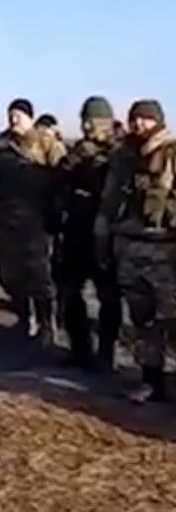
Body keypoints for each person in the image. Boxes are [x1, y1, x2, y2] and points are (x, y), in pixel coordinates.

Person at [97, 100, 176, 402]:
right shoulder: (123, 158)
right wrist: (101, 237)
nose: (139, 125)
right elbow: (109, 202)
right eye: (135, 119)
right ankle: (151, 381)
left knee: (172, 320)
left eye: (145, 119)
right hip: (130, 249)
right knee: (142, 321)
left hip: (165, 250)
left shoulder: (171, 153)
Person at [0, 98, 65, 348]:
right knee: (8, 275)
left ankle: (46, 326)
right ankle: (22, 318)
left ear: (30, 117)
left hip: (36, 221)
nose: (13, 119)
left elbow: (62, 178)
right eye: (10, 114)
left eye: (19, 115)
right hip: (7, 219)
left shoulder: (46, 141)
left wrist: (55, 213)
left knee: (39, 277)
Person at [55, 97, 122, 371]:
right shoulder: (77, 152)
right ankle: (80, 349)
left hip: (105, 234)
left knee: (109, 297)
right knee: (70, 292)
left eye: (92, 121)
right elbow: (60, 182)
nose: (86, 126)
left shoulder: (120, 153)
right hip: (76, 233)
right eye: (85, 120)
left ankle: (106, 354)